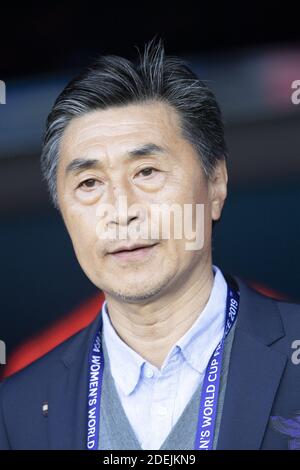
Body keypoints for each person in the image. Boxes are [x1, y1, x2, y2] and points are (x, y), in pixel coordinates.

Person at [1, 39, 300, 450]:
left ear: (216, 183)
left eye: (147, 171)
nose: (121, 211)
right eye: (89, 183)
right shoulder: (18, 409)